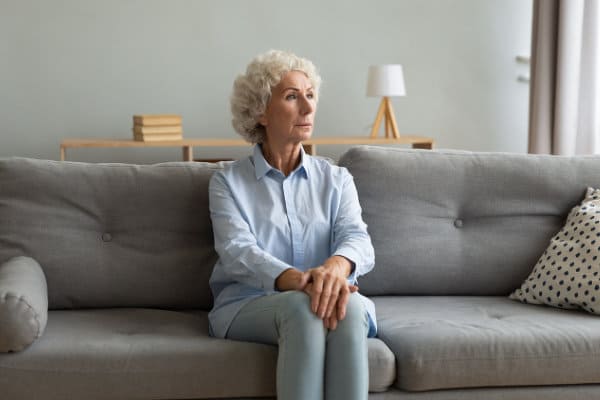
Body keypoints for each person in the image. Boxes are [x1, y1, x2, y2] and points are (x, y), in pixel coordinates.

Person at [208, 49, 376, 400]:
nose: (308, 107)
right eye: (291, 96)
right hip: (250, 303)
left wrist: (333, 269)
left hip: (333, 294)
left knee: (352, 307)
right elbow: (238, 252)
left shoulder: (338, 179)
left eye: (310, 95)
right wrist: (302, 282)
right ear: (261, 112)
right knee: (304, 307)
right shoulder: (227, 182)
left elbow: (357, 239)